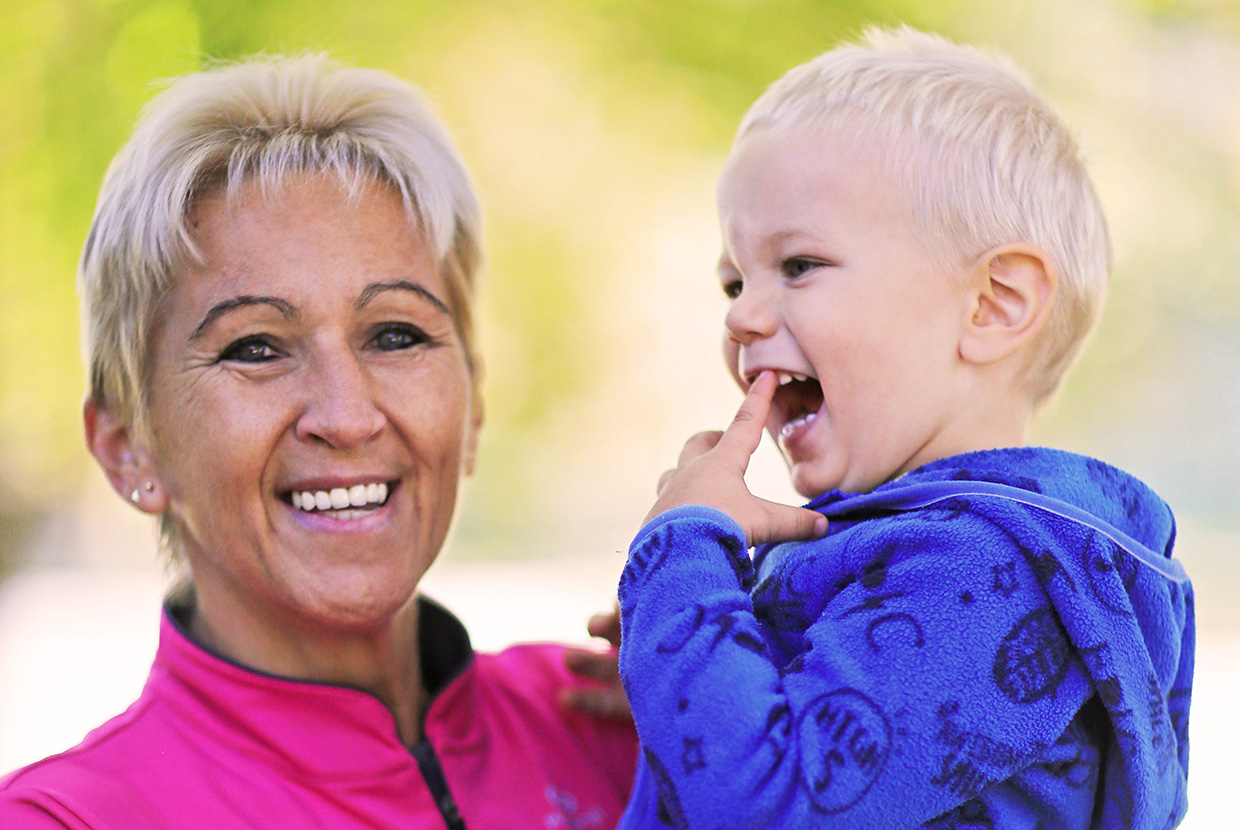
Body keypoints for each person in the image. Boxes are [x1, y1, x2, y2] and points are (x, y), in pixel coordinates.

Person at [0, 54, 637, 829]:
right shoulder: (70, 819)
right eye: (257, 347)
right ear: (128, 446)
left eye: (396, 335)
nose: (347, 415)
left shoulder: (635, 728)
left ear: (471, 406)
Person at [615, 26, 1193, 830]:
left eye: (799, 266)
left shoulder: (986, 568)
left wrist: (678, 558)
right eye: (733, 280)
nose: (742, 315)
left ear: (993, 306)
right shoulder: (919, 554)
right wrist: (690, 641)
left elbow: (768, 807)